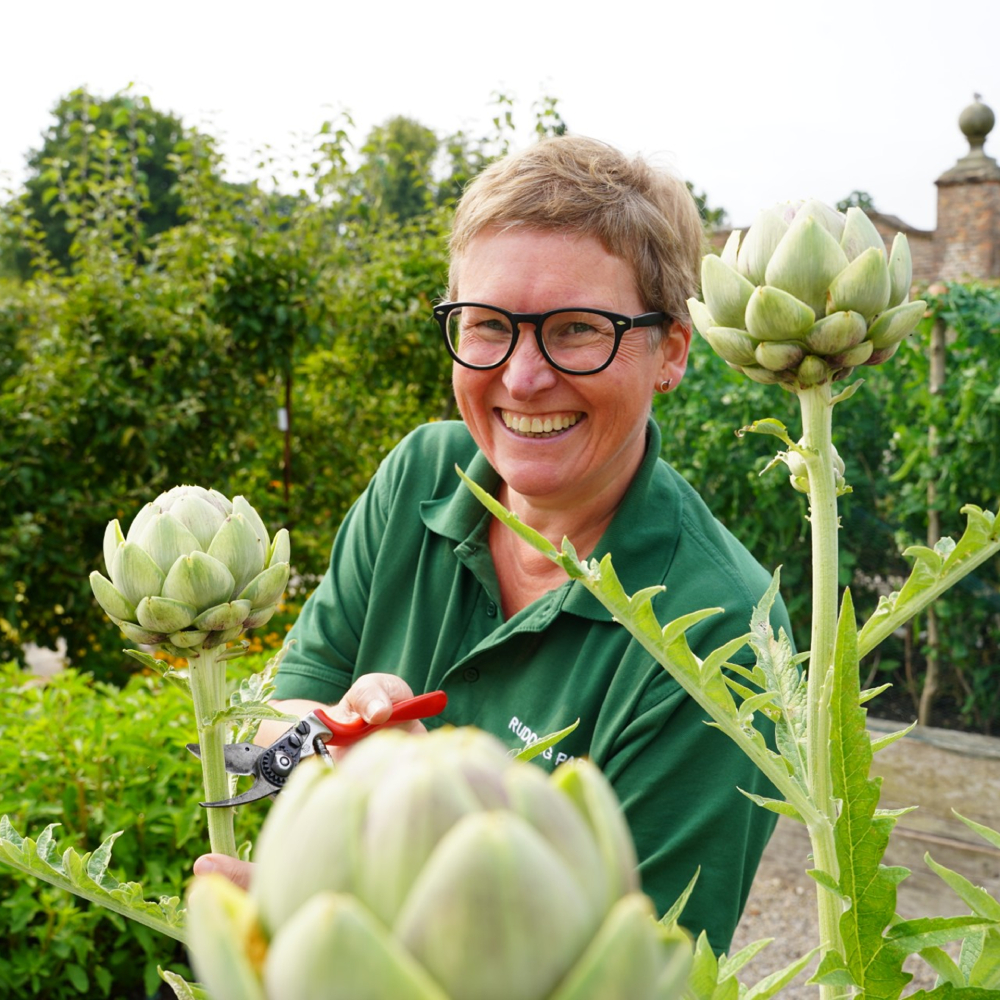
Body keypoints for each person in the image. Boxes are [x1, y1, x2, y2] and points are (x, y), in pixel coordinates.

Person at [195, 135, 791, 954]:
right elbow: (275, 720)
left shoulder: (723, 632)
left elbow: (644, 973)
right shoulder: (421, 475)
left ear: (672, 351)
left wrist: (345, 911)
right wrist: (331, 739)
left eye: (578, 329)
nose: (521, 377)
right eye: (487, 326)